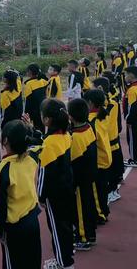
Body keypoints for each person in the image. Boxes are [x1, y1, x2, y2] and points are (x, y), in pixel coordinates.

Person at [0, 120, 42, 269]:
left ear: (5, 141)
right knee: (33, 259)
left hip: (13, 227)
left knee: (12, 263)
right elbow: (40, 141)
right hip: (32, 219)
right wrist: (31, 130)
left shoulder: (4, 168)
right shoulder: (32, 156)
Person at [38, 99, 74, 269]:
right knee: (65, 226)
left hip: (54, 194)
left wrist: (40, 196)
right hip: (67, 187)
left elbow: (44, 174)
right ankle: (65, 255)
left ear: (47, 120)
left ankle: (64, 263)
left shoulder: (49, 144)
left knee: (57, 229)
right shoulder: (66, 135)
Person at [67, 98, 98, 250]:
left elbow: (72, 161)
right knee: (89, 205)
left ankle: (83, 237)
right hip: (90, 176)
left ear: (71, 116)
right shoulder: (89, 128)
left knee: (80, 209)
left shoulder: (76, 137)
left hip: (79, 181)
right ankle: (90, 234)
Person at [93, 77, 124, 202]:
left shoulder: (111, 104)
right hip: (104, 142)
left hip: (110, 143)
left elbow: (107, 126)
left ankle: (113, 191)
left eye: (92, 87)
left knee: (112, 169)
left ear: (99, 89)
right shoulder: (102, 104)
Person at [83, 90, 112, 225]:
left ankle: (100, 215)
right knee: (102, 189)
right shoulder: (103, 115)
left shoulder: (91, 121)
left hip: (98, 161)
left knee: (96, 192)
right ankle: (103, 210)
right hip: (105, 158)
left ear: (91, 103)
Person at [24, 64, 48, 132]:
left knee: (36, 127)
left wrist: (27, 113)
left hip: (34, 110)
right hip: (43, 107)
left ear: (30, 72)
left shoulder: (28, 84)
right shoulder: (42, 80)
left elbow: (28, 100)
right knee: (42, 125)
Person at [123, 65, 137, 167]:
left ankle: (134, 159)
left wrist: (128, 120)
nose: (125, 77)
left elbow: (131, 107)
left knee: (132, 139)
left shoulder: (132, 89)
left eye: (126, 74)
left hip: (134, 119)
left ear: (131, 76)